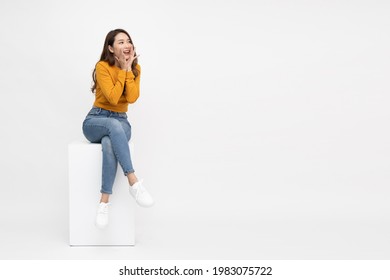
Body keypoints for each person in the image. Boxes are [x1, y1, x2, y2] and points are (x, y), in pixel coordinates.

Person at [82, 29, 154, 229]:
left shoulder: (135, 69)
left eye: (128, 41)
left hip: (121, 122)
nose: (126, 45)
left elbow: (131, 98)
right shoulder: (102, 66)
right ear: (111, 48)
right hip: (96, 119)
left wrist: (128, 69)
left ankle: (103, 203)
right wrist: (122, 69)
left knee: (108, 143)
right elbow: (113, 98)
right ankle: (134, 182)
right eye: (121, 42)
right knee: (111, 127)